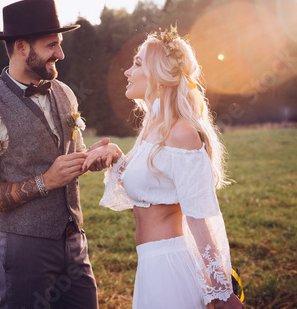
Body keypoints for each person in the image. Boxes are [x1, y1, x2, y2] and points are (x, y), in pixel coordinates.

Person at [0, 0, 105, 309]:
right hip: (23, 251)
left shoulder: (65, 93)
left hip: (74, 243)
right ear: (22, 47)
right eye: (51, 45)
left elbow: (71, 155)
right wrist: (45, 181)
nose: (60, 54)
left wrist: (95, 157)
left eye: (60, 44)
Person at [83, 26, 244, 308]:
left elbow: (201, 217)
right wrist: (116, 155)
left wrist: (220, 292)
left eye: (136, 63)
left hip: (172, 267)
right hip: (150, 267)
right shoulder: (152, 128)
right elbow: (146, 185)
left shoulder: (181, 133)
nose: (127, 72)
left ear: (157, 75)